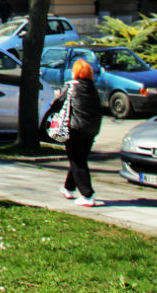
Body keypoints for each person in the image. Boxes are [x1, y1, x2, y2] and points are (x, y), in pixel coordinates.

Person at [55, 58, 103, 206]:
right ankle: (68, 188)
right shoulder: (93, 89)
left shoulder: (72, 87)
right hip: (92, 129)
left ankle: (87, 195)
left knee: (77, 161)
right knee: (78, 158)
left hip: (75, 128)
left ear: (75, 72)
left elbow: (57, 103)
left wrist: (57, 95)